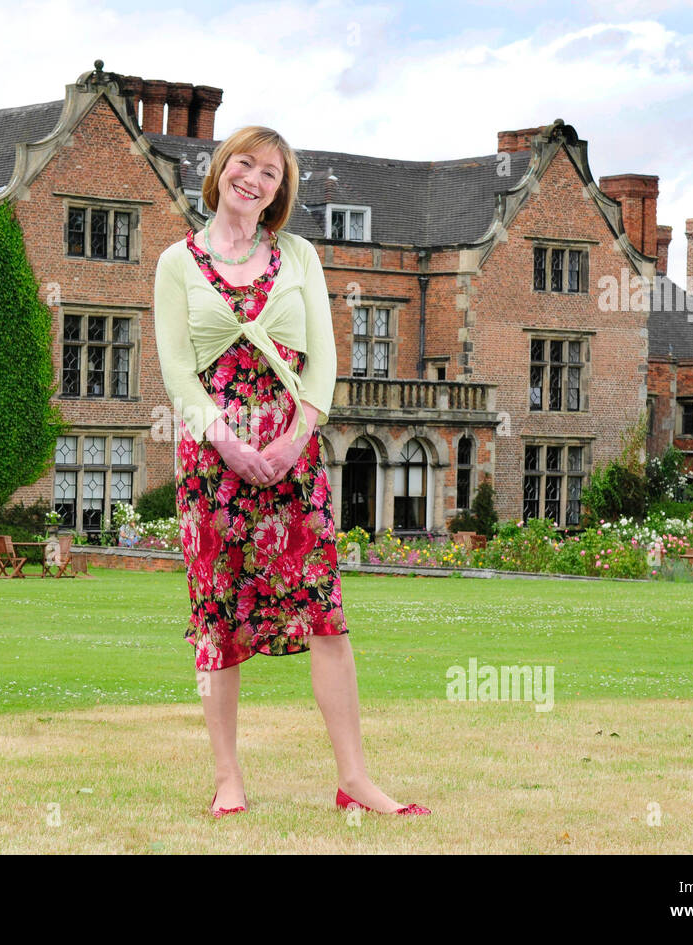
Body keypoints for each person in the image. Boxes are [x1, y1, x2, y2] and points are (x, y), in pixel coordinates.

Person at [153, 125, 430, 818]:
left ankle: (356, 780)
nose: (255, 179)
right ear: (221, 170)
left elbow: (326, 360)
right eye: (245, 163)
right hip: (212, 460)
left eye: (271, 173)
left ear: (280, 191)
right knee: (218, 618)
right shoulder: (175, 264)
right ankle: (228, 780)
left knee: (326, 615)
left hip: (293, 452)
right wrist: (226, 441)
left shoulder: (300, 256)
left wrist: (295, 435)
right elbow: (178, 373)